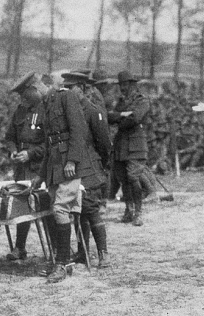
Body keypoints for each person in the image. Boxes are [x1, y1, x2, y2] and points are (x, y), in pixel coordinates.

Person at [32, 73, 98, 283]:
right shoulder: (47, 103)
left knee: (60, 209)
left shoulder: (66, 97)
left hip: (68, 166)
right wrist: (40, 176)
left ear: (48, 84)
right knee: (57, 210)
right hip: (54, 167)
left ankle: (63, 263)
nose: (35, 94)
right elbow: (49, 144)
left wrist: (72, 161)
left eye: (36, 89)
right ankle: (61, 261)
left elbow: (79, 130)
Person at [63, 71, 112, 268]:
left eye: (71, 87)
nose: (67, 91)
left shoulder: (92, 111)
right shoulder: (67, 110)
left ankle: (103, 253)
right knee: (77, 210)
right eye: (65, 88)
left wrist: (100, 165)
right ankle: (83, 252)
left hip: (89, 165)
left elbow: (104, 143)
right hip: (73, 166)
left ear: (82, 89)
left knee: (90, 209)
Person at [4, 71, 46, 261]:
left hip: (40, 168)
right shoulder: (20, 111)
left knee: (46, 207)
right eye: (21, 96)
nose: (23, 99)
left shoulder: (46, 110)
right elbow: (10, 137)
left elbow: (50, 144)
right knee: (21, 206)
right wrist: (13, 151)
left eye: (25, 95)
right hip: (21, 169)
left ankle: (55, 250)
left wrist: (30, 154)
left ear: (34, 90)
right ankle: (20, 247)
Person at [107, 71, 151, 227]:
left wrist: (119, 117)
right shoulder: (120, 101)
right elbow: (109, 117)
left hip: (136, 145)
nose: (122, 88)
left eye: (125, 85)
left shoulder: (142, 100)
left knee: (133, 178)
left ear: (133, 85)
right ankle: (129, 209)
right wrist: (123, 115)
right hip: (121, 145)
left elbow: (135, 118)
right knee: (123, 178)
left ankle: (138, 212)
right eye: (121, 85)